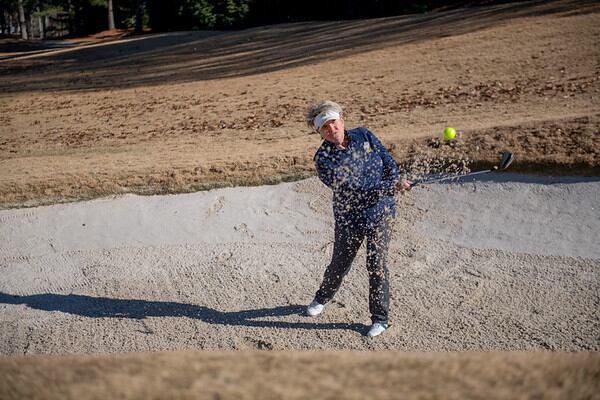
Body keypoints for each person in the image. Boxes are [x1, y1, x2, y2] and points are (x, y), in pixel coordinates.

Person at [304, 100, 411, 337]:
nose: (332, 130)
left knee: (377, 265)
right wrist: (389, 187)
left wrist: (396, 180)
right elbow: (353, 190)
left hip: (380, 213)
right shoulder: (323, 159)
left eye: (333, 123)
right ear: (318, 132)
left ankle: (380, 319)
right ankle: (322, 298)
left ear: (341, 119)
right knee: (340, 264)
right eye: (325, 128)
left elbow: (387, 162)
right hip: (348, 216)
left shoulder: (364, 135)